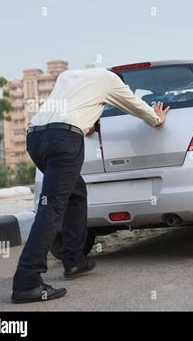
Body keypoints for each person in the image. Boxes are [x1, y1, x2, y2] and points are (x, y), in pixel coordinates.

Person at [11, 68, 169, 303]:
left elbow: (71, 106)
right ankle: (27, 282)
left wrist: (89, 120)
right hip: (64, 141)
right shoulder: (112, 80)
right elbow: (136, 106)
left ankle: (74, 260)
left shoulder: (68, 76)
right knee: (52, 208)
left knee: (76, 193)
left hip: (36, 138)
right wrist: (157, 118)